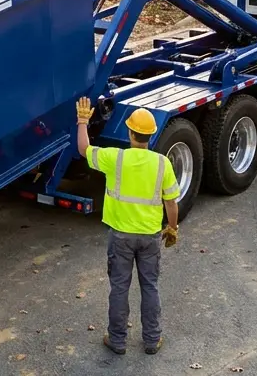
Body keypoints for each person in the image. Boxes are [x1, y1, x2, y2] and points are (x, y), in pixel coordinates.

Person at [76, 98, 180, 355]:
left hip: (121, 237)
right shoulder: (162, 164)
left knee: (120, 288)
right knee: (150, 286)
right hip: (150, 237)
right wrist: (173, 228)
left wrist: (82, 122)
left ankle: (118, 340)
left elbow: (84, 149)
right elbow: (171, 202)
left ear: (130, 132)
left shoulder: (115, 158)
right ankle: (152, 340)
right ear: (151, 135)